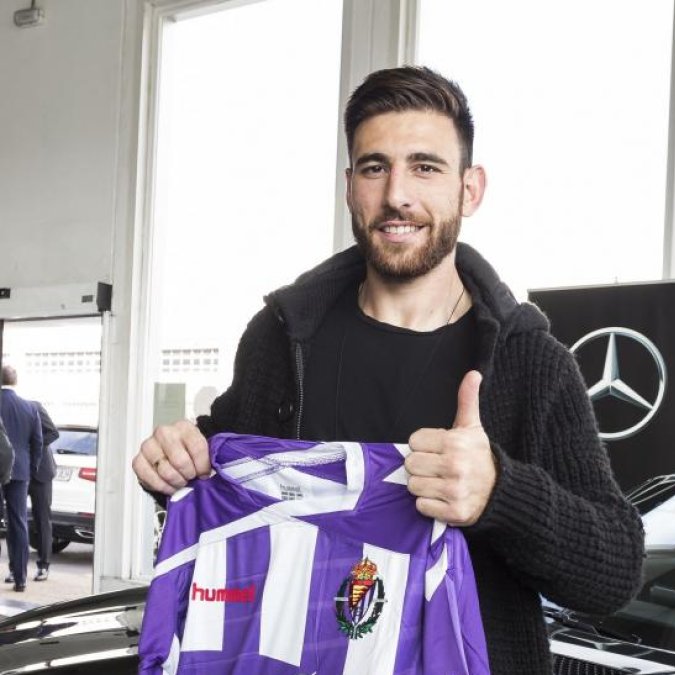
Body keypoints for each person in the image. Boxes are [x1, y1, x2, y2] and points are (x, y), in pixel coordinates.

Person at [132, 66, 644, 673]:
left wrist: (499, 494)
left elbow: (615, 571)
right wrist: (174, 460)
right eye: (375, 167)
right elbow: (218, 470)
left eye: (425, 167)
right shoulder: (281, 337)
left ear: (470, 189)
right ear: (351, 187)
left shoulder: (531, 363)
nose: (397, 195)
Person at [1, 365, 42, 592]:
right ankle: (20, 578)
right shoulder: (29, 407)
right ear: (15, 382)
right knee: (18, 523)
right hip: (19, 472)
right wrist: (31, 468)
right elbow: (38, 442)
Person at [27, 401, 59, 581]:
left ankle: (44, 565)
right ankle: (16, 568)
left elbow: (53, 433)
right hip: (18, 472)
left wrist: (30, 446)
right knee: (15, 521)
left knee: (42, 520)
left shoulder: (35, 407)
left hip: (41, 472)